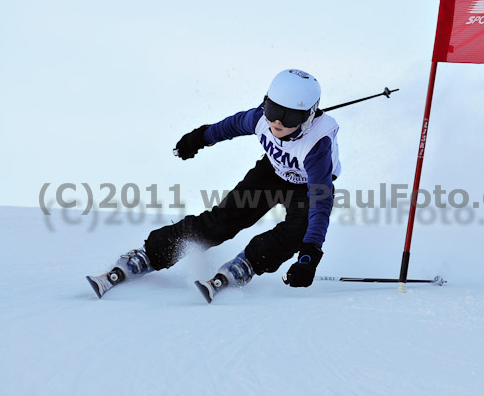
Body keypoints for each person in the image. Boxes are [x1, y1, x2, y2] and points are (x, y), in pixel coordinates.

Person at [86, 69, 341, 302]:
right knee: (222, 221)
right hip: (271, 174)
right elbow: (229, 126)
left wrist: (309, 255)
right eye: (273, 109)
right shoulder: (260, 119)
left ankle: (249, 263)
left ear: (308, 117)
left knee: (298, 230)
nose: (278, 122)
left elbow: (321, 201)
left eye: (290, 115)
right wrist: (199, 138)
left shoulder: (317, 146)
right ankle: (149, 254)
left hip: (306, 188)